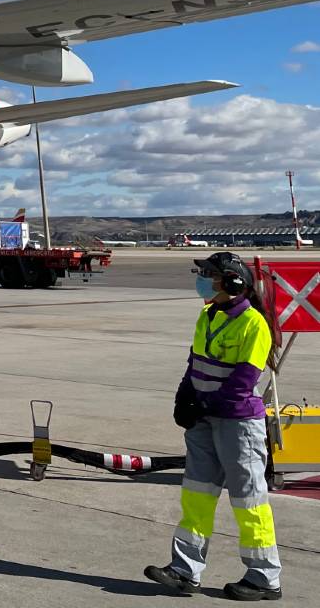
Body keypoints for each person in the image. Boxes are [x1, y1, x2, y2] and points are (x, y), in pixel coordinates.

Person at [145, 252, 281, 601]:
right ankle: (184, 570)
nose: (203, 279)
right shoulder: (207, 315)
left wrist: (203, 404)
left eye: (210, 274)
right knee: (196, 495)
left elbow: (242, 380)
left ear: (234, 284)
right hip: (205, 420)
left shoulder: (254, 324)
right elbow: (195, 364)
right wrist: (183, 398)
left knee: (248, 500)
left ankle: (265, 577)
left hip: (237, 424)